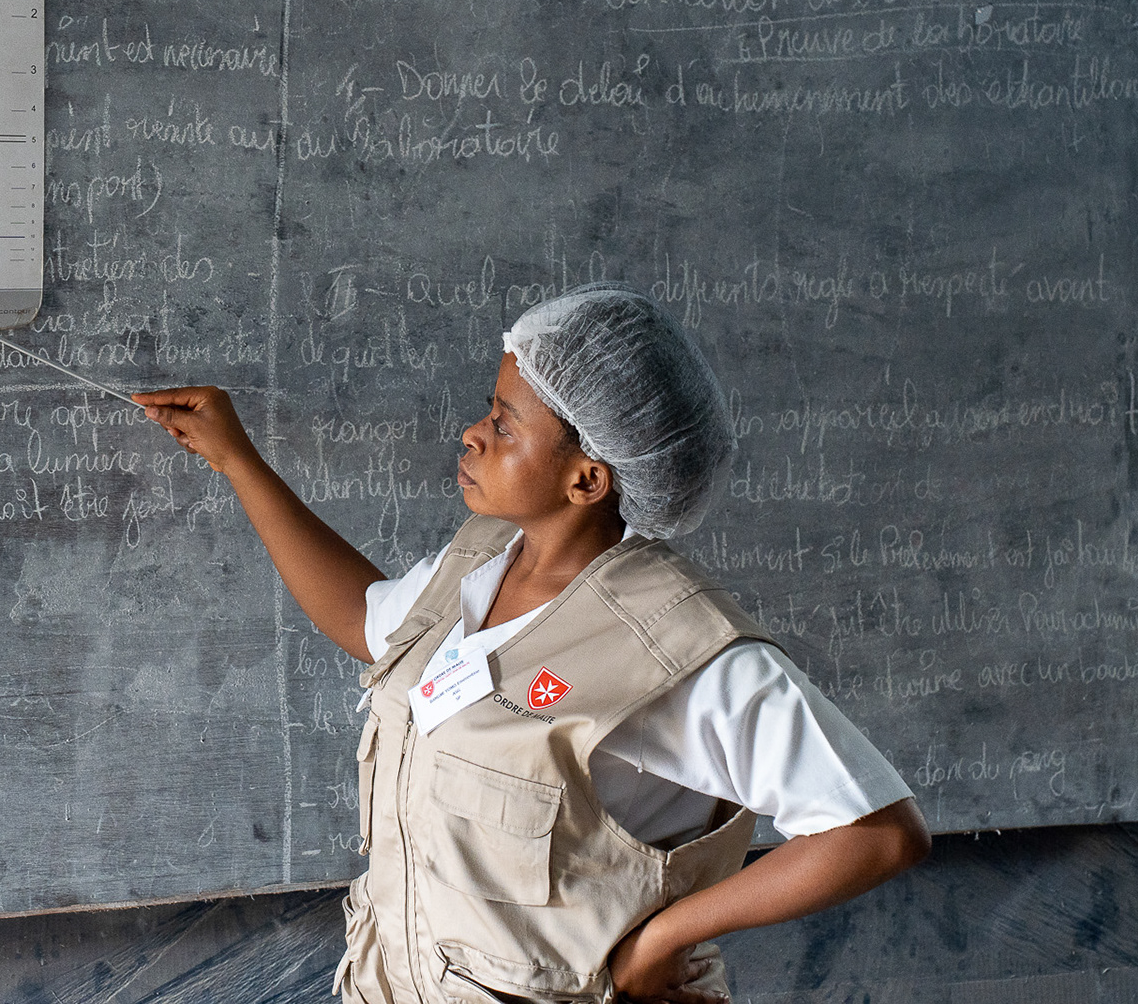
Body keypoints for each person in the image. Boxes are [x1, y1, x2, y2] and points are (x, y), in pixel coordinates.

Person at [133, 284, 929, 1004]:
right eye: (490, 409)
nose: (473, 435)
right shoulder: (481, 558)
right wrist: (237, 461)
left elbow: (876, 833)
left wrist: (660, 941)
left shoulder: (673, 648)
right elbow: (365, 621)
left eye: (505, 426)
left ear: (588, 479)